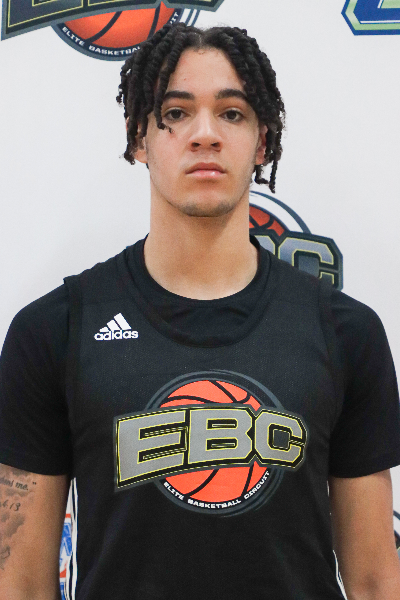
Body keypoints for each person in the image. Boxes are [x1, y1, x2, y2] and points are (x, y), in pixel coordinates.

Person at [0, 22, 399, 600]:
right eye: (176, 113)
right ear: (139, 138)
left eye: (232, 113)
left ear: (262, 143)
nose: (205, 134)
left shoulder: (346, 333)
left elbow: (374, 582)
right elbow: (20, 584)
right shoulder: (54, 331)